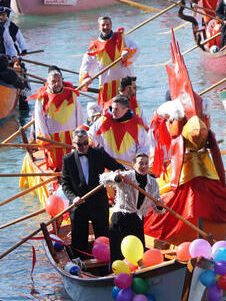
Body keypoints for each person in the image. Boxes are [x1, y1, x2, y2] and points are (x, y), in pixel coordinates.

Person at [58, 127, 120, 257]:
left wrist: (117, 176)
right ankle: (80, 262)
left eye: (86, 143)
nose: (84, 147)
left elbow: (117, 168)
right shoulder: (67, 159)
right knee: (79, 241)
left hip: (98, 203)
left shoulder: (99, 153)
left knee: (103, 237)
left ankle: (107, 264)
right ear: (73, 144)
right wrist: (73, 198)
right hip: (78, 204)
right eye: (79, 144)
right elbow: (65, 183)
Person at [101, 152, 165, 260]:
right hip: (121, 220)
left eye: (146, 163)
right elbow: (103, 178)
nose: (144, 166)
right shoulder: (126, 175)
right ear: (133, 164)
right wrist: (116, 177)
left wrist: (159, 205)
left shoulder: (153, 183)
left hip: (137, 222)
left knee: (138, 257)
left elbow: (157, 209)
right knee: (118, 256)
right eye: (141, 163)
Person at [78, 16, 138, 106]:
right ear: (99, 27)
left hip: (125, 82)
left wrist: (127, 51)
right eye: (103, 25)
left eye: (108, 24)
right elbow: (86, 64)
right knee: (108, 110)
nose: (106, 27)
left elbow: (136, 48)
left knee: (129, 108)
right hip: (107, 84)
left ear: (111, 25)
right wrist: (86, 78)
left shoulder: (121, 37)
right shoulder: (94, 45)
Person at [31, 67, 83, 171]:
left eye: (58, 81)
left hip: (72, 135)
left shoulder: (71, 93)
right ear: (48, 83)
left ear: (62, 81)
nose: (56, 84)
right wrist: (46, 138)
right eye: (53, 81)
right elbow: (40, 121)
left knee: (75, 163)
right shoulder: (42, 98)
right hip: (53, 138)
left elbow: (80, 115)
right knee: (57, 165)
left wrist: (80, 133)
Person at [89, 94, 151, 167]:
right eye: (112, 108)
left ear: (126, 110)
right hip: (108, 168)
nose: (113, 111)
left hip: (129, 169)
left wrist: (139, 162)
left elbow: (144, 147)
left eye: (116, 109)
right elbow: (91, 138)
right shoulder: (103, 121)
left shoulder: (137, 125)